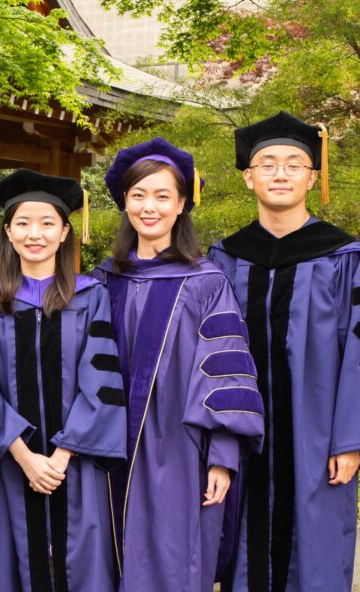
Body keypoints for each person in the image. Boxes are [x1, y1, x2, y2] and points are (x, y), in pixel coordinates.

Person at [208, 112, 360, 592]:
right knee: (241, 551)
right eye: (268, 164)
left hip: (317, 438)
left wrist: (352, 439)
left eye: (294, 164)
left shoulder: (343, 257)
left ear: (313, 177)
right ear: (248, 177)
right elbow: (205, 358)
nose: (280, 173)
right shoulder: (223, 258)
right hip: (243, 436)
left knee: (314, 552)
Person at [89, 138, 266, 592]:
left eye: (163, 196)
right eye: (139, 195)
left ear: (182, 203)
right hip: (104, 448)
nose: (150, 207)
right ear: (124, 202)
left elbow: (229, 376)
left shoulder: (207, 284)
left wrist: (223, 459)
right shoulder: (100, 282)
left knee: (173, 562)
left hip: (179, 453)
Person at [0, 168, 127, 591]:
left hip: (75, 464)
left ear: (64, 232)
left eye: (46, 223)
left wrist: (60, 456)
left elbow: (102, 379)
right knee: (18, 564)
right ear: (7, 231)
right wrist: (24, 456)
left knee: (84, 565)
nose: (33, 233)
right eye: (22, 223)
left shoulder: (92, 296)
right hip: (10, 462)